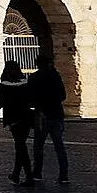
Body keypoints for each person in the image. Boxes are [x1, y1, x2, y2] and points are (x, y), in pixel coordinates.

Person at [0, 58, 35, 185]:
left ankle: (28, 176)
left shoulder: (3, 86)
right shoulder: (26, 84)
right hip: (26, 117)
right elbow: (32, 100)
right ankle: (16, 174)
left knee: (20, 146)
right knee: (20, 145)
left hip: (13, 118)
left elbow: (0, 102)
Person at [27, 52, 69, 184]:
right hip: (56, 114)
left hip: (41, 115)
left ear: (37, 64)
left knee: (38, 146)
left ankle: (37, 172)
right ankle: (63, 174)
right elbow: (63, 96)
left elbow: (31, 97)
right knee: (59, 146)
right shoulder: (56, 76)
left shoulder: (34, 77)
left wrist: (37, 106)